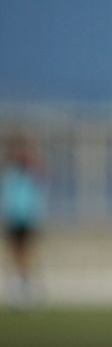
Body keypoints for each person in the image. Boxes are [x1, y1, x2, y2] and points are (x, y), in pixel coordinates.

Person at [0, 130, 47, 307]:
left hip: (28, 217)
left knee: (27, 253)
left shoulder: (32, 172)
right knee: (14, 252)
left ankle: (28, 286)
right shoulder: (10, 171)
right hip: (13, 216)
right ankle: (17, 286)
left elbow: (41, 167)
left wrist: (30, 153)